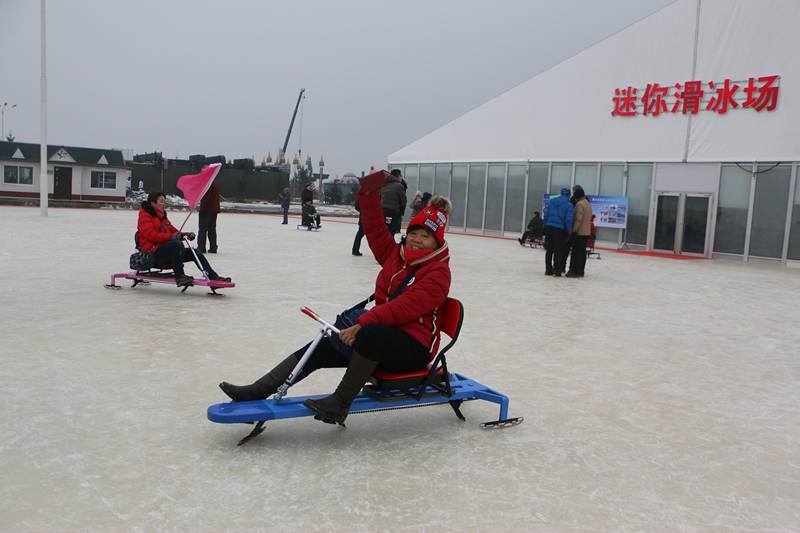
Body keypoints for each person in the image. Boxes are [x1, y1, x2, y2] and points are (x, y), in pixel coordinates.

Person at [219, 183, 453, 427]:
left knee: (370, 335)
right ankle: (258, 390)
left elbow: (405, 307)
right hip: (383, 336)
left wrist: (362, 324)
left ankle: (339, 404)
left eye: (425, 236)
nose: (417, 240)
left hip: (412, 348)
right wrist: (368, 194)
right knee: (327, 343)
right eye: (414, 233)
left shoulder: (438, 273)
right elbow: (373, 228)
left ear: (436, 243)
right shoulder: (396, 255)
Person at [136, 191, 230, 287]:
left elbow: (173, 231)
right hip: (152, 254)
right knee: (176, 244)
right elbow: (151, 235)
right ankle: (180, 276)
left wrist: (186, 235)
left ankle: (213, 276)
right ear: (152, 203)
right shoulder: (145, 215)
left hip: (167, 252)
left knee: (194, 252)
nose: (164, 204)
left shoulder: (162, 216)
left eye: (164, 201)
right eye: (161, 201)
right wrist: (172, 237)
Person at [542, 187, 573, 276]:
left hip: (549, 227)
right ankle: (557, 270)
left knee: (549, 250)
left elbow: (546, 214)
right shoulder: (569, 205)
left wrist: (545, 225)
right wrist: (569, 231)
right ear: (568, 195)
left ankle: (548, 270)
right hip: (559, 229)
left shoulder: (552, 201)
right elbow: (568, 219)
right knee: (558, 250)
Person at [567, 185, 591, 278]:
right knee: (582, 252)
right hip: (586, 232)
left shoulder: (580, 204)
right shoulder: (588, 203)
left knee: (575, 252)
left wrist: (574, 230)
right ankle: (581, 271)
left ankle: (573, 271)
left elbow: (578, 219)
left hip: (580, 232)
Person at [197, 179, 220, 254]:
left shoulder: (207, 183)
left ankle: (201, 247)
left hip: (206, 210)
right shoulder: (215, 182)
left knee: (202, 230)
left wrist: (203, 209)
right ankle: (213, 247)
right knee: (212, 229)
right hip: (214, 210)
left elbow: (206, 198)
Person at [381, 169, 407, 235]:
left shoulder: (384, 184)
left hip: (383, 211)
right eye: (401, 176)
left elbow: (380, 197)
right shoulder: (399, 186)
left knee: (385, 229)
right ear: (398, 176)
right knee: (391, 230)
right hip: (392, 211)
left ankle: (384, 243)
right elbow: (403, 201)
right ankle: (389, 244)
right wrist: (401, 213)